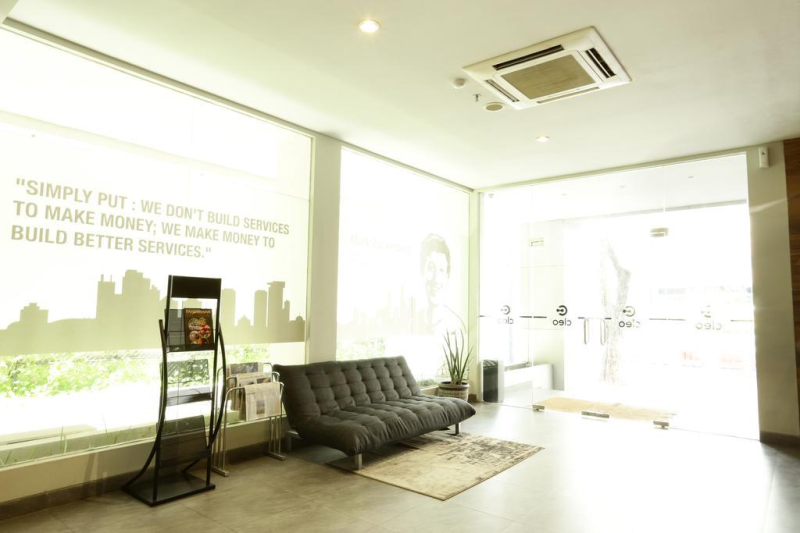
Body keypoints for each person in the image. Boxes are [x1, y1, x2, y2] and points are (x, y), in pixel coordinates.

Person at [413, 234, 462, 335]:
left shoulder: (457, 326)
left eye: (441, 270)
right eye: (431, 268)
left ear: (447, 276)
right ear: (422, 271)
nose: (436, 279)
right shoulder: (413, 322)